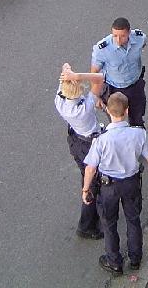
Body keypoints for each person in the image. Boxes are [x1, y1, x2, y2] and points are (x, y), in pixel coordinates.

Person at [82, 92, 148, 275]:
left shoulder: (101, 139)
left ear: (107, 110)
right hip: (131, 183)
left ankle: (114, 262)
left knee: (109, 224)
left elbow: (90, 168)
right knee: (133, 219)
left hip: (109, 187)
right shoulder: (139, 133)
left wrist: (85, 190)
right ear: (127, 110)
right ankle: (135, 259)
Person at [55, 65, 104, 240]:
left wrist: (67, 72)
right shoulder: (83, 109)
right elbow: (99, 79)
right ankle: (87, 225)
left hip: (76, 141)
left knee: (86, 174)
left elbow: (63, 82)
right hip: (89, 144)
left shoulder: (60, 101)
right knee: (92, 183)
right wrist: (77, 74)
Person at [90, 17, 148, 128]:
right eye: (115, 35)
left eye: (122, 36)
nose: (118, 40)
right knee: (116, 122)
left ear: (129, 33)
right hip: (114, 88)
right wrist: (96, 96)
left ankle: (139, 140)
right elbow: (94, 72)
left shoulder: (139, 38)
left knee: (137, 117)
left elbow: (143, 43)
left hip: (135, 85)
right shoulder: (102, 49)